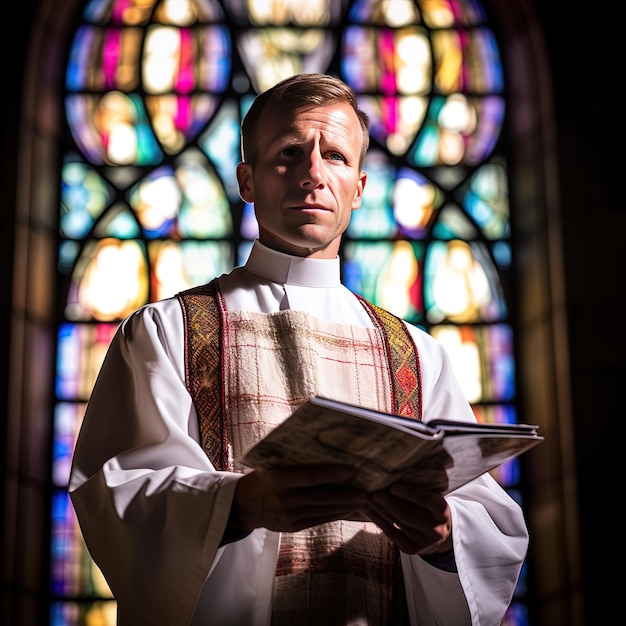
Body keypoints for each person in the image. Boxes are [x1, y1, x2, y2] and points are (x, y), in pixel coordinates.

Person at [69, 73, 529, 626]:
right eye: (289, 152)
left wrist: (443, 536)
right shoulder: (169, 332)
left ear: (359, 188)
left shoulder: (416, 353)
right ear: (247, 179)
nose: (313, 173)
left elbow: (492, 525)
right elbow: (117, 495)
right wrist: (241, 506)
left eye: (334, 155)